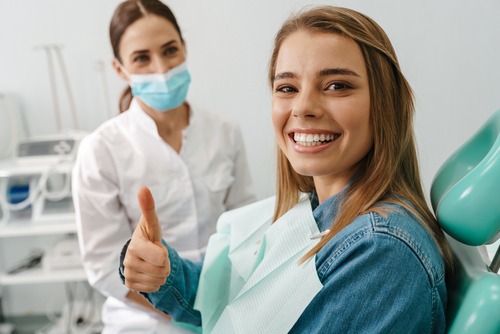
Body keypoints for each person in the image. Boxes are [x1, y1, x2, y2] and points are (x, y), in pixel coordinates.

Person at [120, 5, 454, 333]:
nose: (303, 107)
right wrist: (161, 272)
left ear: (386, 102)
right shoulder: (312, 211)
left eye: (337, 85)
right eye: (287, 88)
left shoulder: (380, 253)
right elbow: (226, 294)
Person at [72, 0, 256, 333]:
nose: (160, 68)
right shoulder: (100, 150)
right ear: (119, 69)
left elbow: (246, 226)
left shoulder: (224, 131)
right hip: (144, 318)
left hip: (228, 304)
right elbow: (102, 266)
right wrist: (188, 312)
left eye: (170, 51)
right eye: (142, 58)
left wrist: (226, 307)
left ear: (184, 48)